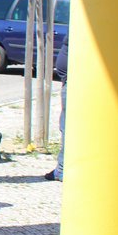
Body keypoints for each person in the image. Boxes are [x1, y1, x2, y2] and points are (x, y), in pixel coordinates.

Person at [45, 32, 68, 181]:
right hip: (69, 82)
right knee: (65, 128)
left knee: (67, 128)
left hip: (74, 85)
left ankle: (62, 169)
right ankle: (61, 167)